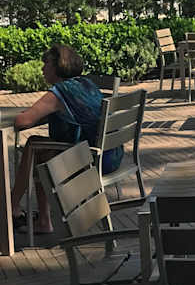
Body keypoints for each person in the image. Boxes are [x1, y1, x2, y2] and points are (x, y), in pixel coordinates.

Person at [10, 46, 123, 234]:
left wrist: (33, 113)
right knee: (40, 152)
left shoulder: (60, 92)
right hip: (112, 154)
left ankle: (11, 207)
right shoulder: (85, 83)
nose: (42, 68)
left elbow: (22, 122)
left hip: (93, 160)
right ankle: (41, 220)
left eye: (46, 63)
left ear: (58, 66)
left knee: (33, 144)